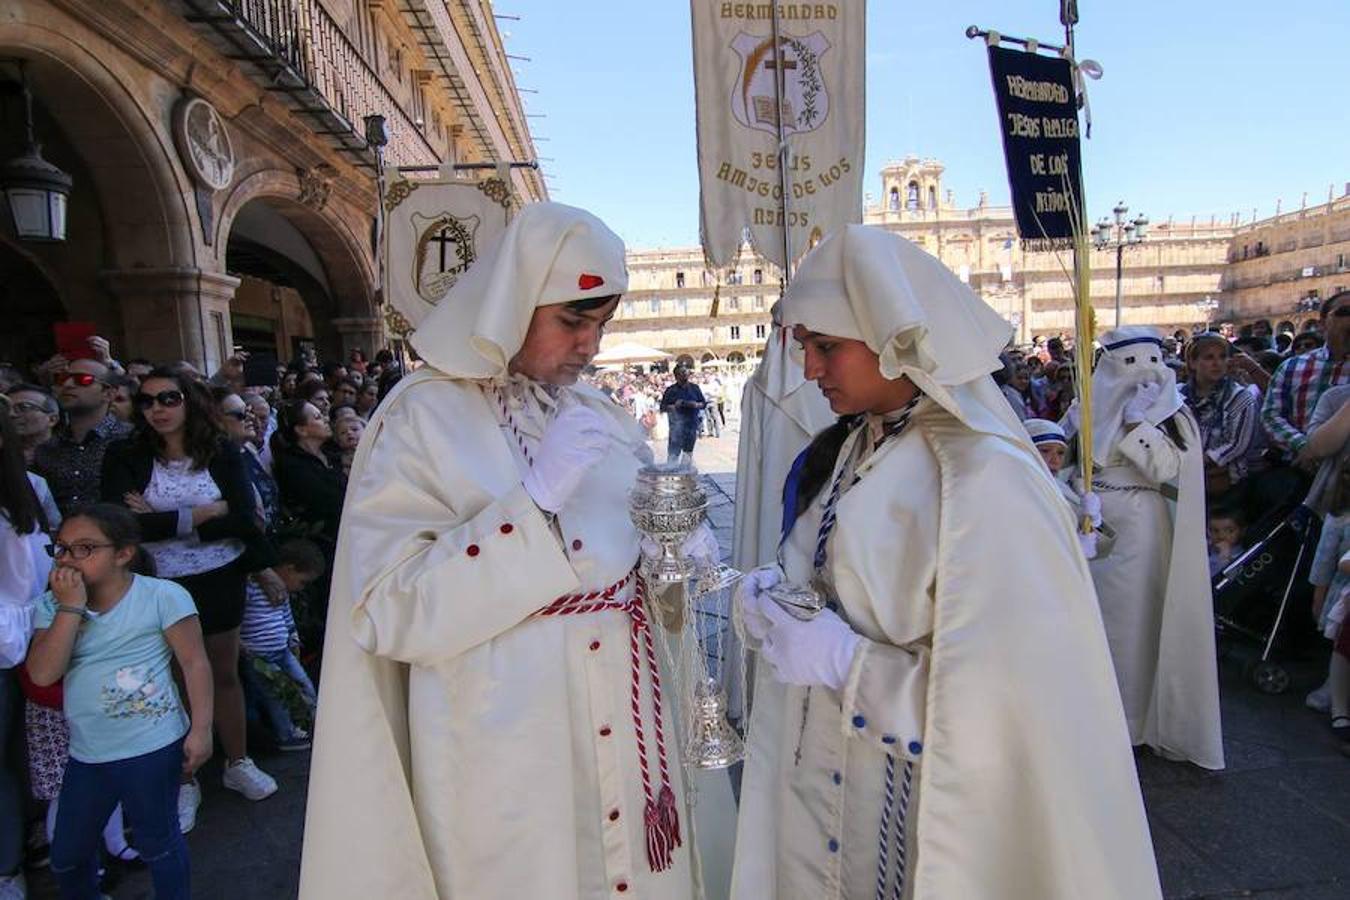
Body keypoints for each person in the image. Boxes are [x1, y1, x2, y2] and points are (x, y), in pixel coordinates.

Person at [732, 225, 1161, 899]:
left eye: (826, 347)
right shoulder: (855, 446)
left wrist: (851, 666)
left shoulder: (985, 477)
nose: (810, 368)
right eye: (804, 347)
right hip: (829, 791)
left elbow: (1016, 701)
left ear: (892, 337)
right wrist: (769, 596)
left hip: (922, 811)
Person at [300, 203, 701, 898]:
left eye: (600, 326)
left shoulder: (600, 418)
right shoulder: (420, 419)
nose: (589, 348)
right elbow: (389, 612)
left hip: (630, 733)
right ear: (512, 305)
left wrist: (678, 554)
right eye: (571, 322)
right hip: (500, 747)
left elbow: (644, 584)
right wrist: (532, 503)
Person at [101, 370, 278, 828]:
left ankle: (237, 762)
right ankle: (185, 779)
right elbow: (121, 525)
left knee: (223, 672)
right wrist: (201, 513)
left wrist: (163, 516)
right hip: (158, 582)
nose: (157, 409)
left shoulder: (222, 452)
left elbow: (243, 517)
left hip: (219, 575)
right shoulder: (126, 454)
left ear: (189, 403)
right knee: (176, 676)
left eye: (168, 398)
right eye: (146, 401)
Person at [25, 504, 213, 900]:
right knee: (68, 855)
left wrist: (201, 729)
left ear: (123, 553)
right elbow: (43, 673)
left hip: (153, 746)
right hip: (87, 754)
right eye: (60, 548)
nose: (67, 559)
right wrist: (70, 608)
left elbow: (194, 663)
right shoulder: (52, 607)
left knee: (159, 841)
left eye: (84, 548)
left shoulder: (162, 596)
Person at [1064, 325, 1223, 770]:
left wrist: (1139, 424)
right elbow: (1063, 460)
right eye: (1127, 363)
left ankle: (1129, 724)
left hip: (1138, 527)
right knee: (1083, 622)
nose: (1142, 374)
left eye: (1151, 361)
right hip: (1083, 521)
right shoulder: (1085, 409)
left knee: (1130, 627)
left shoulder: (1171, 413)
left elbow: (1166, 467)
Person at [1, 406, 54, 900]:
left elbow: (44, 568)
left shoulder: (31, 490)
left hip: (25, 642)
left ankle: (14, 859)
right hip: (21, 637)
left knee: (26, 751)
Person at [238, 538, 323, 752]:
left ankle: (314, 723)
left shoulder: (280, 590)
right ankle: (285, 734)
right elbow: (239, 617)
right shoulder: (251, 587)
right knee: (276, 695)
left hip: (282, 651)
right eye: (302, 581)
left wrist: (292, 637)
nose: (301, 587)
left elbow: (286, 616)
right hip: (258, 656)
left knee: (303, 684)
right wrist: (239, 643)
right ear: (289, 568)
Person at [32, 359, 133, 517]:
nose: (68, 384)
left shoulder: (130, 439)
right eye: (62, 379)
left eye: (83, 380)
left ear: (109, 393)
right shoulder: (47, 448)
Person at [1179, 333, 1259, 499]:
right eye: (1209, 358)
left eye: (1222, 357)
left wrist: (1198, 461)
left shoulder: (1240, 397)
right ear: (1193, 363)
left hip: (1225, 483)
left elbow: (1236, 444)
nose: (1217, 364)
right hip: (1181, 478)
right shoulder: (1177, 395)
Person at [660, 366, 706, 462]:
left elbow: (703, 404)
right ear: (676, 376)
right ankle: (671, 475)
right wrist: (675, 406)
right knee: (673, 456)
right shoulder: (670, 390)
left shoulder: (695, 388)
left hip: (691, 427)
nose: (685, 375)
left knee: (687, 455)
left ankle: (686, 475)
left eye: (686, 373)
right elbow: (663, 407)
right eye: (682, 373)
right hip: (676, 429)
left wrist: (695, 404)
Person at [6, 384, 59, 465]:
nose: (11, 414)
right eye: (6, 408)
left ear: (52, 419)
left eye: (24, 407)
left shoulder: (67, 454)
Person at [1208, 505, 1246, 577]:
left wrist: (1224, 557)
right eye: (1214, 531)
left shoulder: (1242, 557)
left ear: (1242, 531)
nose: (1221, 536)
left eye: (1229, 531)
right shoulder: (1205, 551)